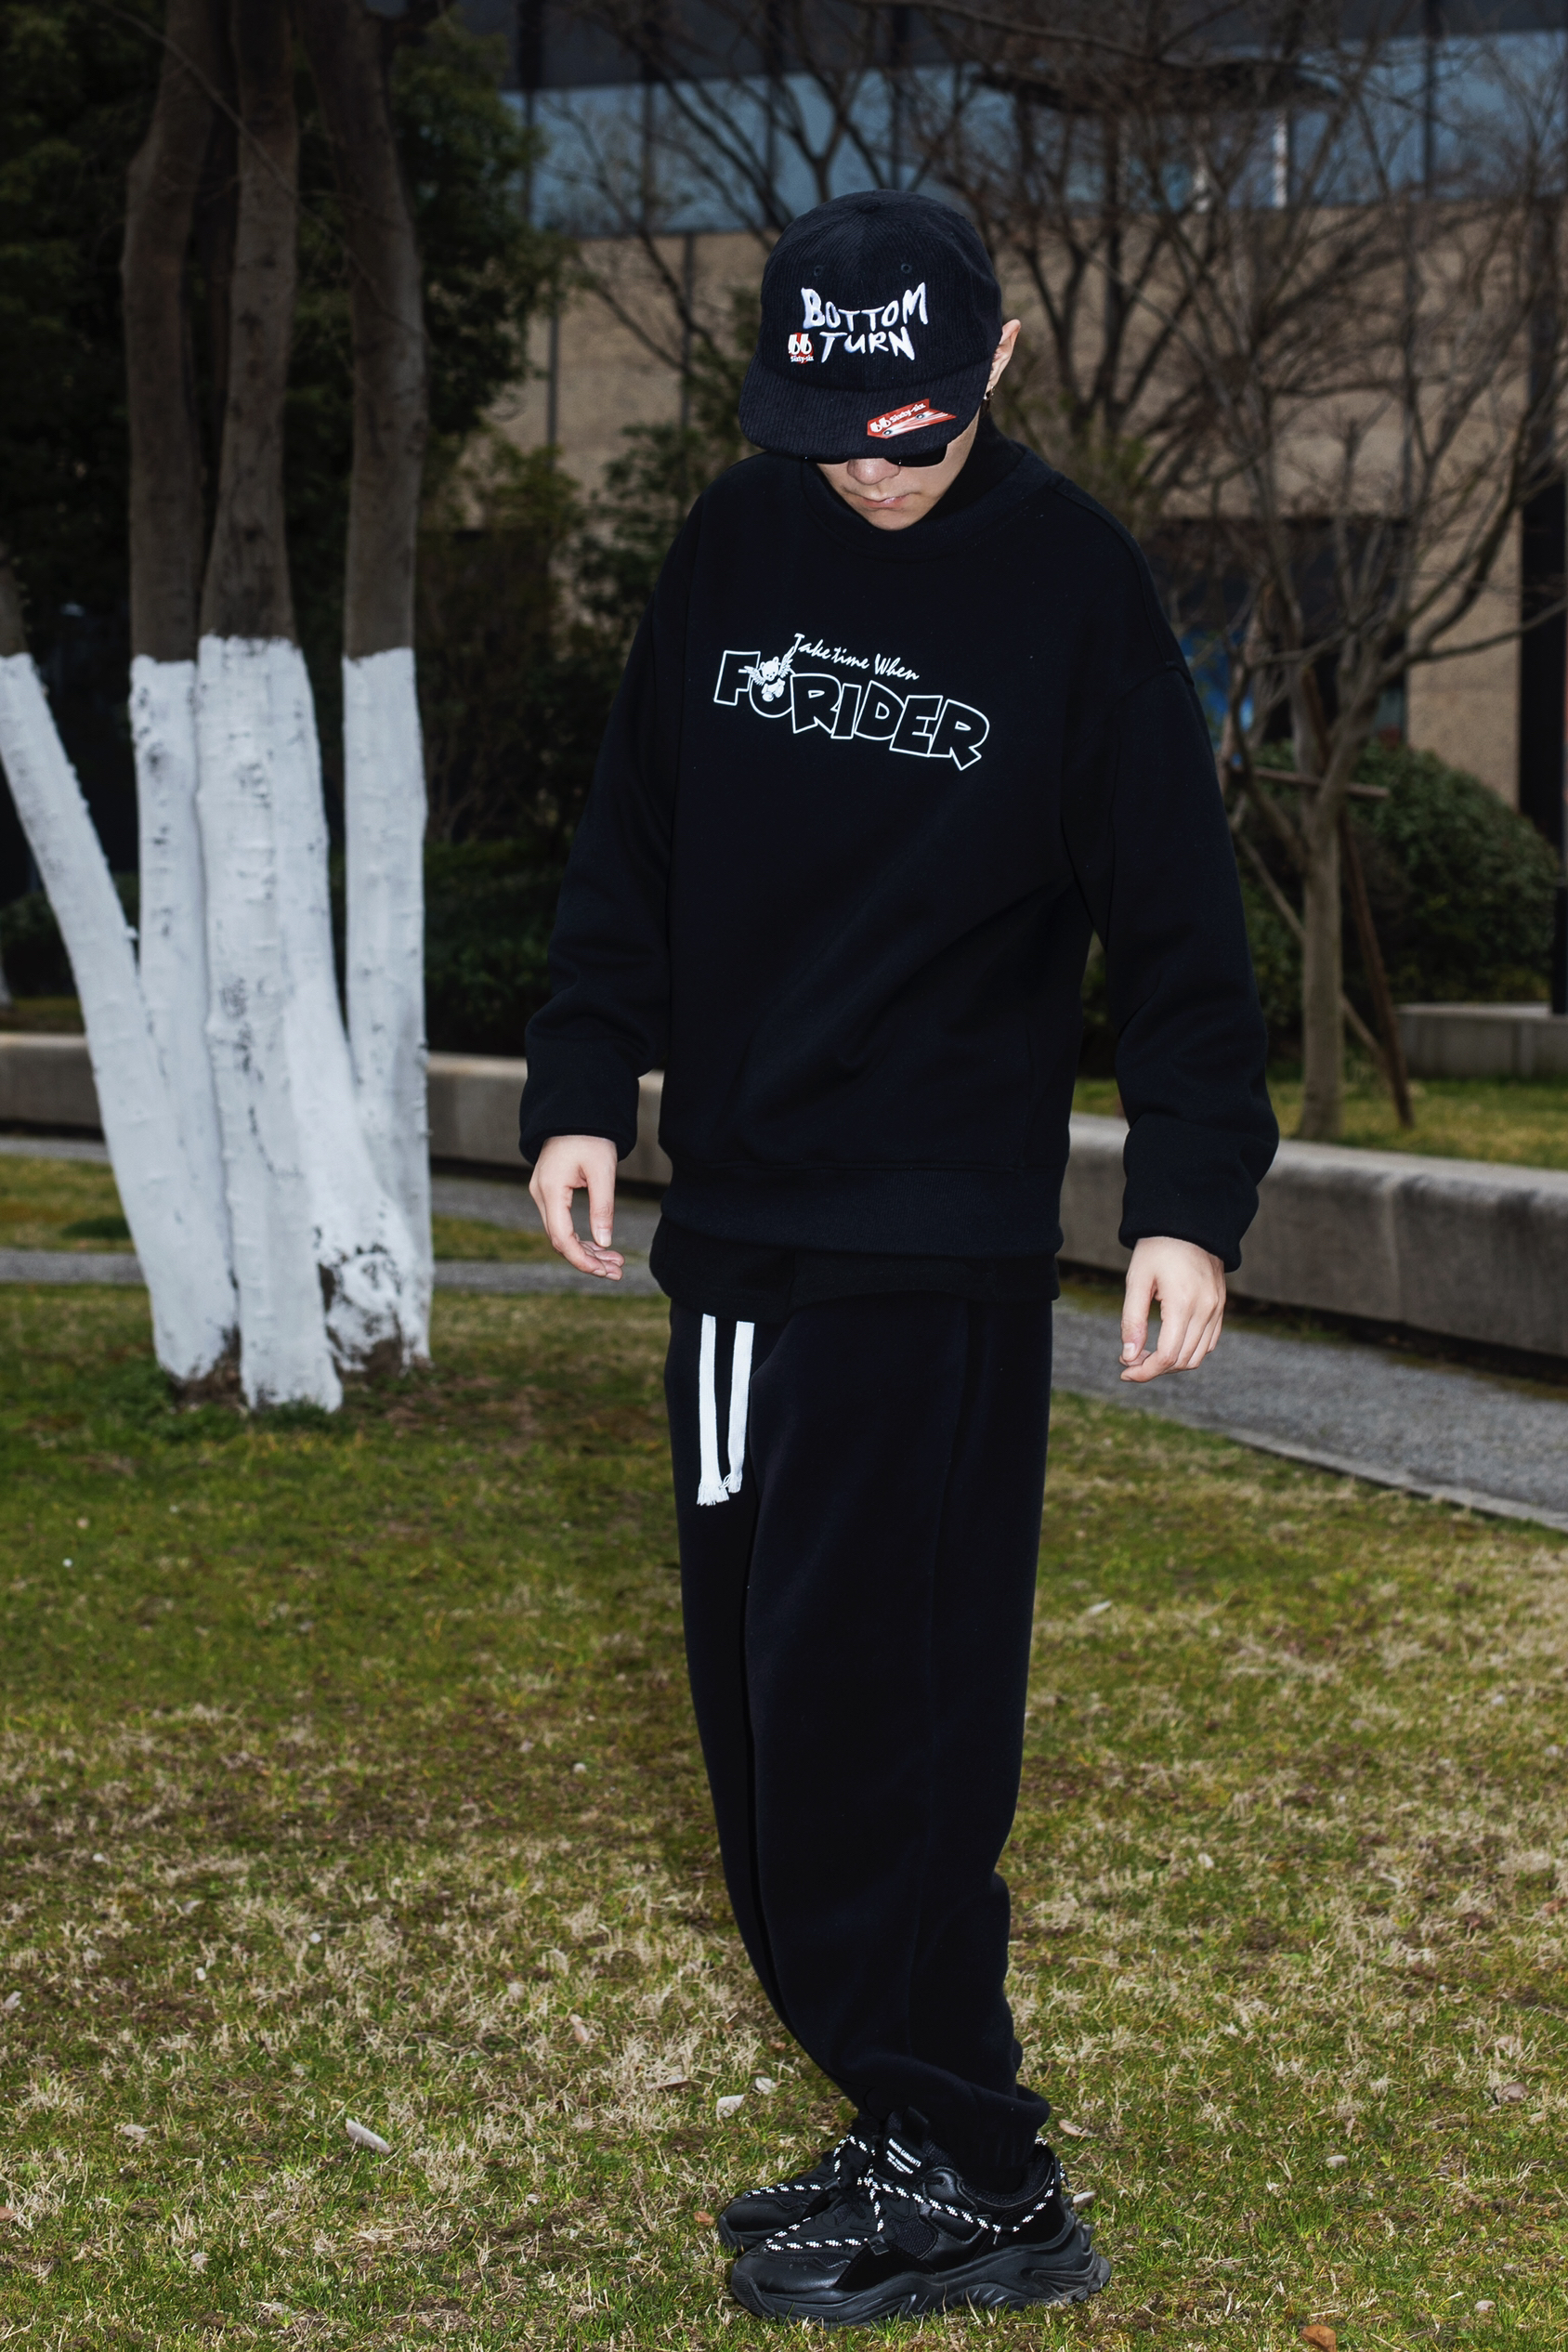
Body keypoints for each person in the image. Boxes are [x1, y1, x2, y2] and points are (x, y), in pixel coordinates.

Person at [520, 188, 1277, 2327]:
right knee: (764, 1730)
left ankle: (977, 2167)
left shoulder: (1069, 585)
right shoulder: (730, 548)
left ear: (1001, 363)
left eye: (917, 427)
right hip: (736, 1239)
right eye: (832, 430)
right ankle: (908, 2113)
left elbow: (1180, 927)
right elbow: (633, 837)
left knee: (884, 1717)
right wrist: (579, 1079)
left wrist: (1187, 1200)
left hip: (930, 1248)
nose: (873, 465)